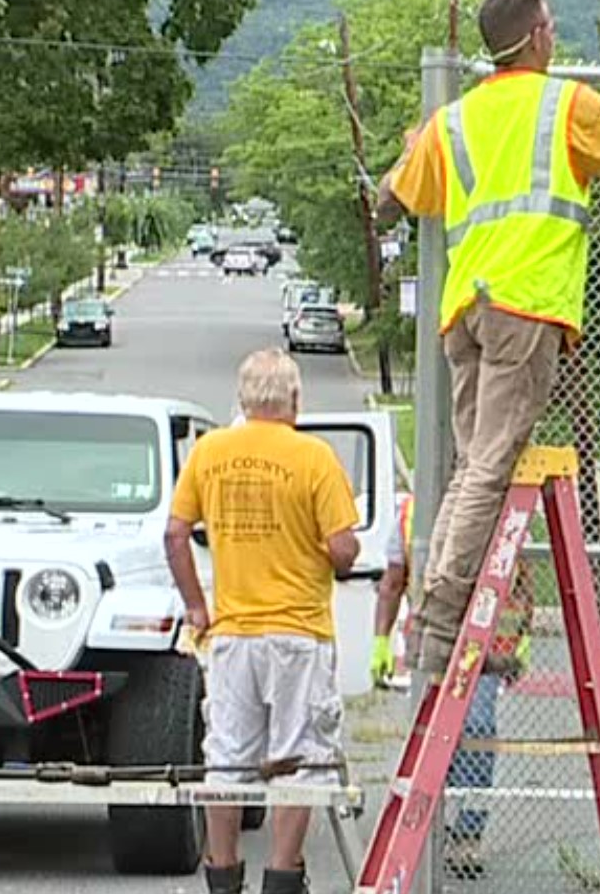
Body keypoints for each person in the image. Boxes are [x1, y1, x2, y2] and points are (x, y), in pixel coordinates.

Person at [377, 0, 600, 681]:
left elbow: (390, 198)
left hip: (464, 312)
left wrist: (412, 147)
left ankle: (449, 614)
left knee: (476, 468)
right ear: (534, 38)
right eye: (551, 25)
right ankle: (440, 622)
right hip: (526, 311)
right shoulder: (568, 106)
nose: (555, 33)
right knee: (490, 467)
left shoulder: (456, 121)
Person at [164, 349, 363, 894]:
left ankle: (223, 873)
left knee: (226, 761)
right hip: (299, 633)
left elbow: (176, 533)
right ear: (294, 399)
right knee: (299, 760)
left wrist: (196, 605)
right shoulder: (314, 457)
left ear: (244, 399)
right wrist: (335, 550)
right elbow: (343, 548)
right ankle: (282, 873)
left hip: (232, 632)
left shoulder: (210, 453)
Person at [371, 492, 532, 878]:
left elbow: (522, 578)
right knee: (431, 738)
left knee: (476, 732)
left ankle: (467, 832)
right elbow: (393, 582)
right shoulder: (410, 513)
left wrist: (522, 637)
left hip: (483, 649)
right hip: (434, 645)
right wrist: (381, 639)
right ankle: (431, 822)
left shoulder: (499, 502)